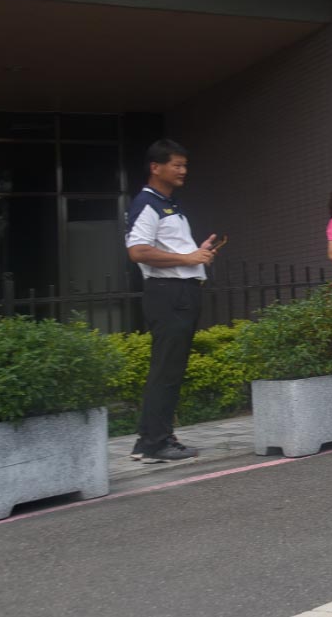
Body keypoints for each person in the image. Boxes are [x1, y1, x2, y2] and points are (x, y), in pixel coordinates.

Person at [125, 139, 218, 463]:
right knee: (167, 369)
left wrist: (197, 253)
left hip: (178, 292)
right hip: (169, 294)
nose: (183, 171)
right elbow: (137, 250)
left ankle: (149, 439)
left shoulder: (168, 204)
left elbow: (172, 249)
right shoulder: (147, 203)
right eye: (176, 165)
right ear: (156, 167)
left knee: (167, 369)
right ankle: (156, 442)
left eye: (185, 165)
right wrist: (188, 256)